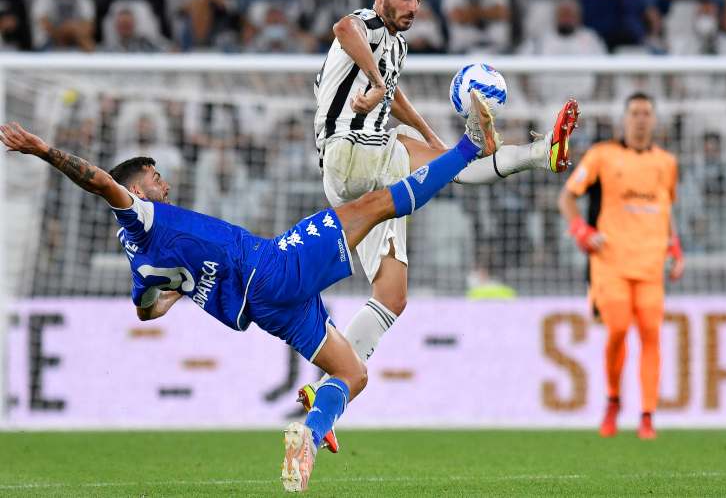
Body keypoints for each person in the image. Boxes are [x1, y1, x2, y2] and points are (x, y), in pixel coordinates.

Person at [0, 90, 497, 492]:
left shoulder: (140, 258)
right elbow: (100, 182)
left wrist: (182, 290)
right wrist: (44, 150)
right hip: (272, 268)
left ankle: (310, 432)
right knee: (376, 203)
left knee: (352, 373)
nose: (164, 183)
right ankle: (470, 147)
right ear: (136, 188)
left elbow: (145, 312)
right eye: (155, 177)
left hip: (262, 307)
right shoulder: (140, 215)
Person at [306, 0, 580, 452]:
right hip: (351, 147)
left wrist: (431, 135)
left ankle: (325, 394)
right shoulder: (366, 24)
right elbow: (343, 29)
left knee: (392, 296)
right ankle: (524, 150)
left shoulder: (399, 46)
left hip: (355, 176)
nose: (414, 7)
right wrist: (371, 83)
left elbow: (395, 95)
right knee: (453, 160)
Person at [558, 92, 685, 440]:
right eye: (634, 113)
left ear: (654, 119)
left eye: (646, 113)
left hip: (650, 264)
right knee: (616, 330)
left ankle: (647, 415)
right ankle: (613, 400)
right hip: (609, 262)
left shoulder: (666, 163)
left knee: (651, 336)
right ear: (624, 119)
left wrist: (675, 246)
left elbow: (666, 207)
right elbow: (567, 195)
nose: (641, 119)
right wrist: (581, 230)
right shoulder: (602, 155)